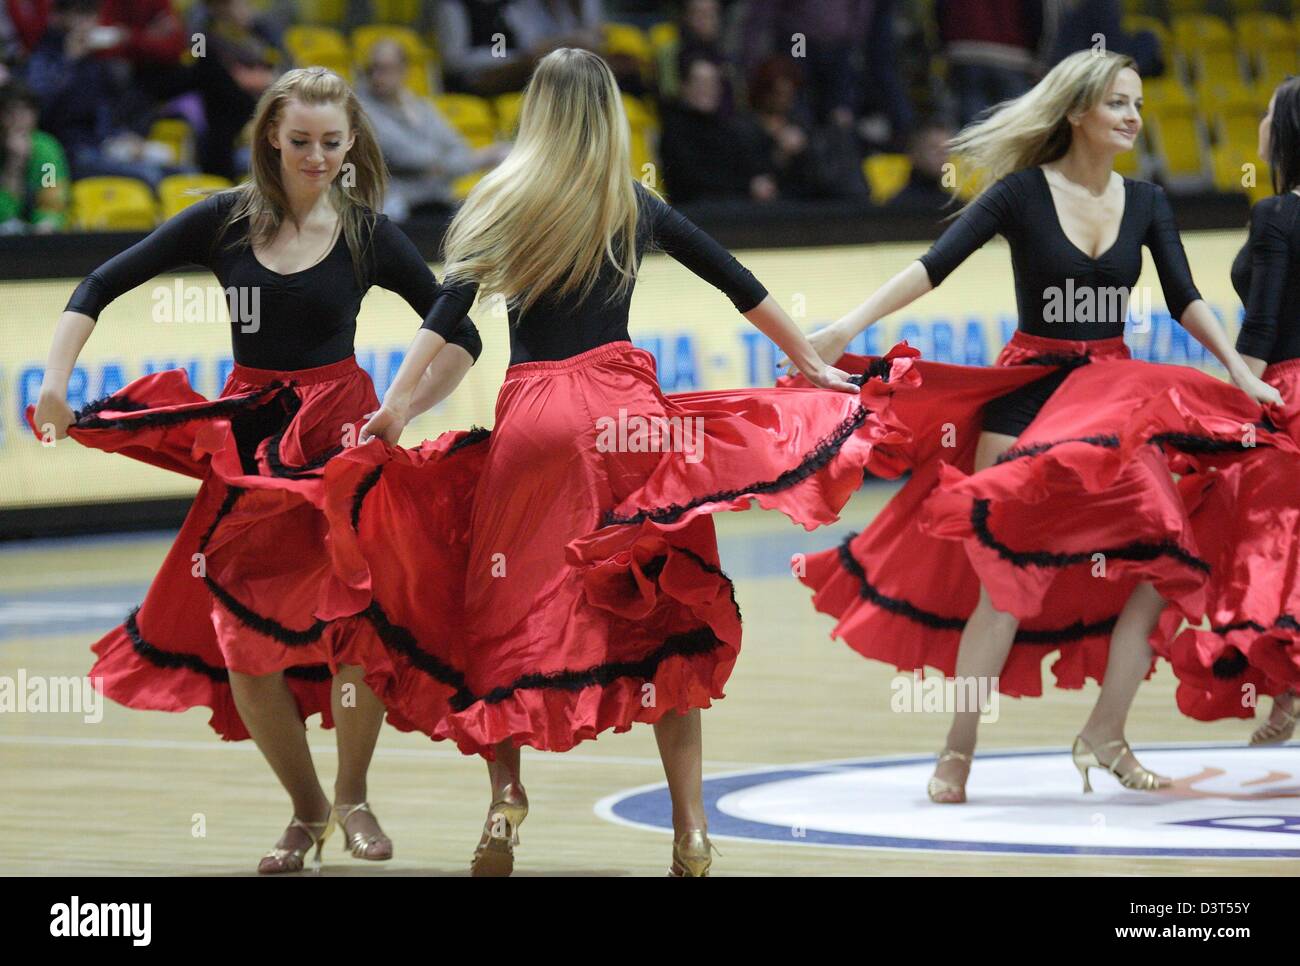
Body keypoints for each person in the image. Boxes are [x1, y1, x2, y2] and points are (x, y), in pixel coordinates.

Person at [322, 48, 914, 876]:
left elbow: (447, 313)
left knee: (501, 615)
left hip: (533, 421)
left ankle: (504, 807)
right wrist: (812, 365)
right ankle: (691, 829)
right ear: (606, 116)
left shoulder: (502, 201)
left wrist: (395, 404)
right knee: (667, 612)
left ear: (535, 114)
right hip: (626, 420)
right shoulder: (630, 201)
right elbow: (736, 281)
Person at [780, 50, 1284, 804]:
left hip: (1112, 401)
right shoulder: (1020, 193)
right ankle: (957, 751)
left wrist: (1241, 373)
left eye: (1139, 104)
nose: (1133, 117)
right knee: (1007, 587)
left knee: (1163, 564)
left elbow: (1185, 297)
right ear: (1077, 111)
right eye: (1118, 102)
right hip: (1027, 400)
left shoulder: (1146, 201)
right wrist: (844, 326)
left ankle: (1106, 732)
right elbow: (933, 265)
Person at [29, 67, 483, 874]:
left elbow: (461, 333)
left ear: (351, 146)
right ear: (271, 134)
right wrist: (57, 385)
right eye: (300, 141)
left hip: (345, 439)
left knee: (356, 629)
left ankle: (353, 797)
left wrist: (406, 409)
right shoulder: (223, 221)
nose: (314, 157)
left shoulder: (369, 232)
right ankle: (306, 811)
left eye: (331, 144)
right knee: (244, 646)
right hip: (252, 446)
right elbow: (98, 286)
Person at [1151, 76, 1300, 743]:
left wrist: (1227, 409)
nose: (1261, 119)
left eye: (1268, 110)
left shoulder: (1277, 214)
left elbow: (1262, 330)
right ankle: (1287, 689)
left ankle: (1283, 681)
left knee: (1258, 548)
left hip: (1285, 396)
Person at [355, 38, 508, 222]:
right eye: (372, 69)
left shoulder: (421, 107)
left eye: (386, 69)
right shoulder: (362, 110)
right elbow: (409, 156)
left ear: (403, 70)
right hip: (398, 205)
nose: (377, 76)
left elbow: (459, 148)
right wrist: (467, 161)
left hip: (438, 198)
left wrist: (443, 166)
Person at [0, 80, 69, 232]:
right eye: (10, 113)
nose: (19, 120)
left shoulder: (46, 149)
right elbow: (3, 215)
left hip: (36, 236)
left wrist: (45, 223)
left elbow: (52, 201)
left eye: (26, 111)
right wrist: (13, 166)